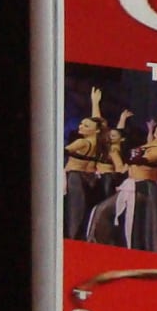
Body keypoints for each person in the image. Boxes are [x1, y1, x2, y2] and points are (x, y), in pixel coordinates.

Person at [89, 108, 157, 254]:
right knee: (102, 211)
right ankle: (103, 247)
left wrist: (116, 156)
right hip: (132, 185)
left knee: (134, 224)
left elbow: (139, 159)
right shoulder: (155, 141)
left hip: (142, 189)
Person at [63, 86, 111, 241]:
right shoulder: (97, 141)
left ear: (95, 130)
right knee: (81, 211)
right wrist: (95, 103)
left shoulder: (81, 142)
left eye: (85, 126)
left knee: (74, 211)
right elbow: (98, 124)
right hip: (88, 179)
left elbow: (60, 151)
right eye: (81, 124)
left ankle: (72, 239)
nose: (80, 127)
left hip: (75, 178)